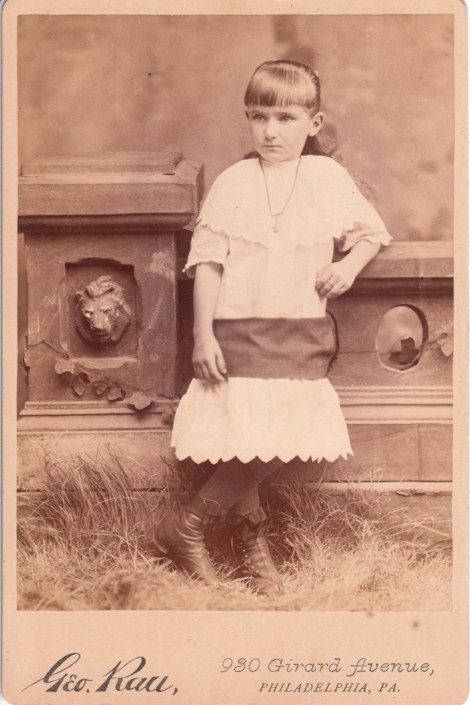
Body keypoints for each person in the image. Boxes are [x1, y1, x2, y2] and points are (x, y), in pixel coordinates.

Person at [154, 60, 392, 595]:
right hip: (237, 330)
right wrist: (203, 336)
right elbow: (208, 262)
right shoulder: (234, 182)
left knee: (283, 436)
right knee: (243, 433)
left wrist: (348, 267)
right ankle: (246, 541)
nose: (270, 131)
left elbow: (371, 234)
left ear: (314, 122)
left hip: (298, 330)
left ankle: (189, 524)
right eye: (258, 117)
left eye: (286, 118)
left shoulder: (326, 178)